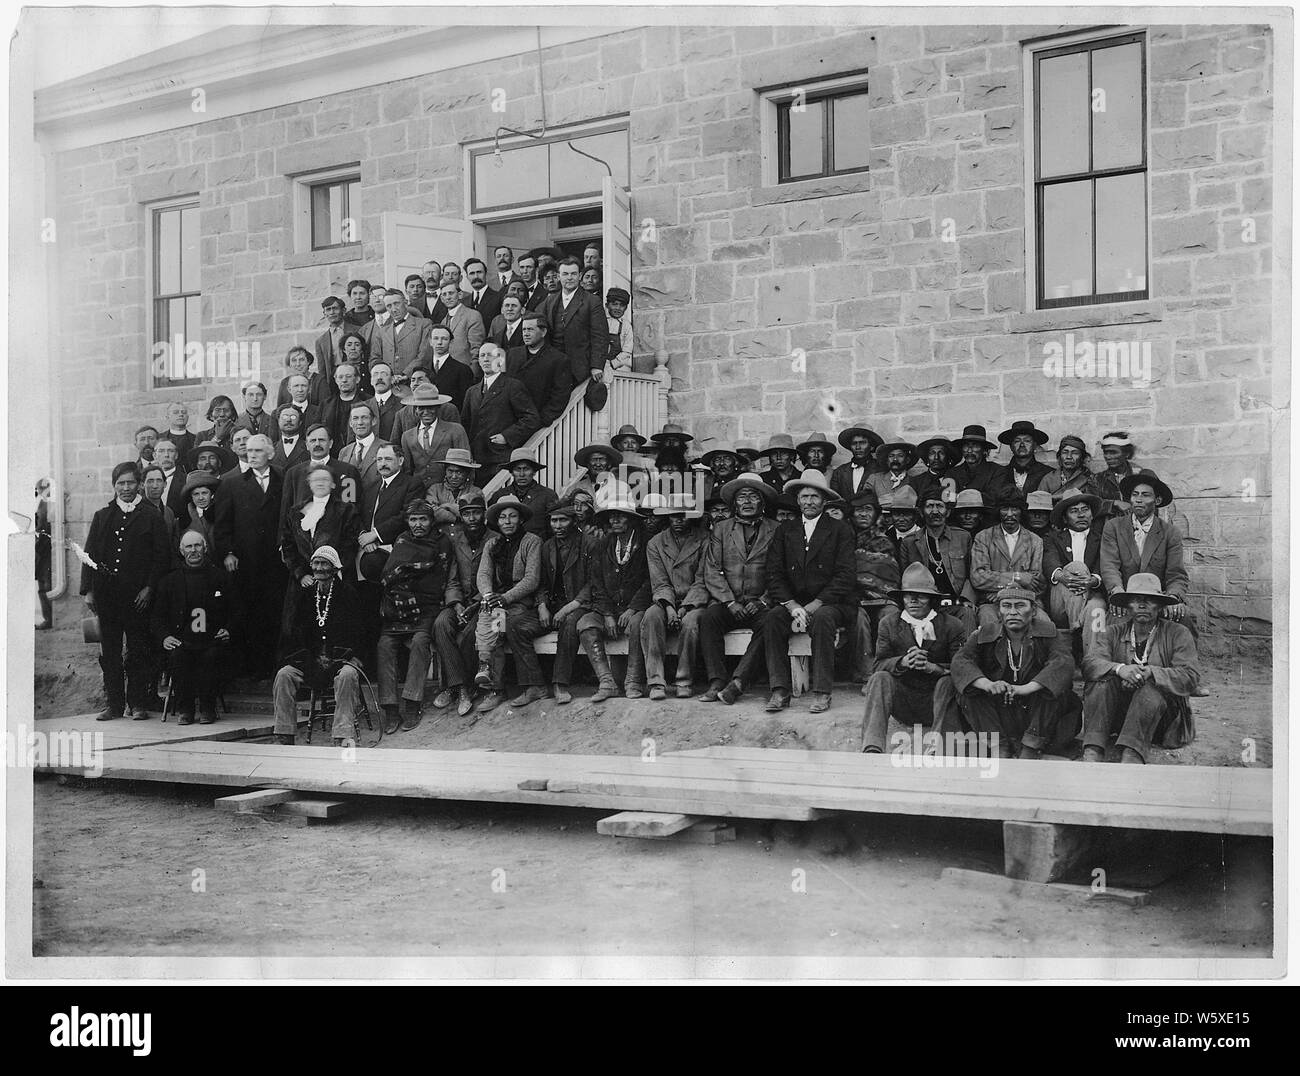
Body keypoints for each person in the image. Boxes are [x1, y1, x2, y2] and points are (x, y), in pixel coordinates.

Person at [760, 469, 857, 714]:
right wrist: (792, 606)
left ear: (824, 501)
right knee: (772, 618)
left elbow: (845, 575)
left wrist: (815, 604)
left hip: (830, 602)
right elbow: (774, 573)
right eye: (804, 497)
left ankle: (822, 691)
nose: (809, 502)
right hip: (795, 602)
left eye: (814, 497)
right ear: (797, 500)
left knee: (823, 619)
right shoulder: (785, 530)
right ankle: (780, 690)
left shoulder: (840, 529)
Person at [949, 583, 1081, 759]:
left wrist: (1026, 688)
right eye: (1006, 606)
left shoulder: (1049, 632)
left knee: (1058, 689)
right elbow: (961, 661)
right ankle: (998, 745)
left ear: (1033, 610)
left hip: (1036, 713)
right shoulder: (984, 634)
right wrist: (988, 684)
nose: (1012, 612)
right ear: (998, 611)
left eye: (1020, 606)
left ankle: (1031, 747)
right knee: (966, 688)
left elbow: (1063, 663)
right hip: (999, 713)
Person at [80, 463, 170, 720]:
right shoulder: (103, 515)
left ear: (139, 484)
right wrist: (88, 590)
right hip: (108, 597)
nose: (126, 488)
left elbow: (161, 557)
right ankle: (115, 704)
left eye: (130, 483)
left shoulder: (151, 515)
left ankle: (138, 703)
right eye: (121, 484)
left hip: (138, 598)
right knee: (110, 653)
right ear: (114, 486)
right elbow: (89, 556)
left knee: (138, 650)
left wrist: (149, 588)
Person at [1081, 574, 1201, 764]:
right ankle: (1093, 749)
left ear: (1160, 605)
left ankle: (1132, 755)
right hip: (1119, 716)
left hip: (1162, 719)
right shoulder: (1112, 632)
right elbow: (1090, 663)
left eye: (1150, 600)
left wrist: (1151, 673)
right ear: (1128, 605)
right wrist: (1120, 669)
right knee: (1101, 683)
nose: (1142, 605)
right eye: (1136, 600)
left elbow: (1190, 675)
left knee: (1150, 688)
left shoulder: (1178, 633)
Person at [859, 565, 966, 753]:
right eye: (908, 595)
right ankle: (872, 747)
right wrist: (903, 662)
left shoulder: (952, 625)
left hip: (938, 704)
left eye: (921, 595)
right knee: (879, 678)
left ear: (932, 599)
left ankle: (938, 746)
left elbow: (961, 669)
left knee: (947, 682)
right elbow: (878, 665)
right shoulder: (889, 624)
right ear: (902, 598)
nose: (914, 600)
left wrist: (933, 668)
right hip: (904, 703)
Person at [270, 546, 364, 747]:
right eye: (316, 563)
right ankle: (284, 735)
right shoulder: (305, 596)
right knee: (284, 675)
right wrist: (310, 658)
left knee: (348, 676)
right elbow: (296, 633)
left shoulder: (348, 594)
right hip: (311, 661)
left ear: (334, 567)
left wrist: (343, 656)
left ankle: (342, 735)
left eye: (324, 564)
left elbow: (358, 632)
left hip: (340, 659)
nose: (320, 569)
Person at [213, 434, 287, 682]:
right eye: (249, 450)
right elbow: (222, 525)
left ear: (269, 453)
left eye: (257, 451)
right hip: (247, 560)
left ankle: (276, 666)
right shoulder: (231, 483)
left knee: (275, 611)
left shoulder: (283, 477)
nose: (251, 454)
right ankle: (253, 669)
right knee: (250, 611)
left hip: (276, 560)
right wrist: (228, 552)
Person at [377, 501, 453, 733]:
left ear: (431, 521)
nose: (418, 525)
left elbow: (437, 579)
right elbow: (389, 574)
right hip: (398, 608)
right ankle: (390, 708)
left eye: (423, 519)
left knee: (420, 642)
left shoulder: (442, 542)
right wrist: (401, 589)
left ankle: (412, 703)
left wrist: (410, 584)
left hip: (426, 608)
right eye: (413, 520)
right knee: (385, 645)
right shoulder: (402, 540)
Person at [472, 496, 545, 712]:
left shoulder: (532, 541)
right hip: (496, 602)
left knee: (499, 624)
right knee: (492, 620)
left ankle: (495, 684)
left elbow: (532, 579)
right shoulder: (492, 544)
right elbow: (483, 573)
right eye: (503, 517)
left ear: (520, 519)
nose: (508, 521)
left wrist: (505, 598)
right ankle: (490, 682)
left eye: (513, 516)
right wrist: (487, 595)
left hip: (519, 602)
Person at [151, 530, 231, 725]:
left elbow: (236, 609)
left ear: (205, 548)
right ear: (181, 550)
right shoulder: (169, 581)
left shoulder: (220, 577)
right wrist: (165, 637)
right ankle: (185, 708)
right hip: (182, 640)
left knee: (211, 657)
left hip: (211, 639)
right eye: (188, 546)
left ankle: (207, 708)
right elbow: (156, 617)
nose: (193, 550)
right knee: (178, 657)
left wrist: (229, 629)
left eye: (197, 546)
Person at [574, 498, 650, 702]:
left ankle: (633, 681)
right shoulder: (603, 545)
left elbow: (651, 581)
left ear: (632, 519)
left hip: (635, 608)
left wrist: (633, 608)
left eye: (621, 515)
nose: (615, 520)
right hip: (609, 608)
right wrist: (607, 614)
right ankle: (607, 682)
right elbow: (596, 583)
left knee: (638, 625)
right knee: (585, 623)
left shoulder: (645, 543)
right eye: (611, 516)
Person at [1099, 472, 1192, 631]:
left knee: (1182, 619)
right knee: (1113, 623)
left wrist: (1172, 598)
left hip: (1158, 599)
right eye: (1135, 495)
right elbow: (1110, 567)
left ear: (1157, 500)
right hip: (1126, 598)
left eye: (1145, 495)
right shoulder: (1113, 527)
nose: (1139, 499)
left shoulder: (1170, 532)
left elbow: (1176, 573)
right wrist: (1118, 595)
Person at [641, 497, 708, 699]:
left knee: (690, 623)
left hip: (695, 600)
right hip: (666, 599)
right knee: (651, 616)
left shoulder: (704, 539)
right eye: (673, 516)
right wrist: (669, 607)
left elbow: (703, 579)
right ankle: (656, 682)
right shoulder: (656, 543)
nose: (678, 521)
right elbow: (659, 581)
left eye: (683, 516)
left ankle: (684, 680)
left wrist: (686, 607)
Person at [431, 492, 491, 717]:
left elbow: (495, 580)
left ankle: (463, 688)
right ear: (461, 517)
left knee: (467, 634)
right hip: (460, 602)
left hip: (485, 603)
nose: (472, 518)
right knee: (441, 624)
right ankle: (459, 688)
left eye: (476, 513)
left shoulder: (493, 539)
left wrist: (475, 603)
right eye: (467, 514)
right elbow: (452, 578)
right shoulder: (456, 541)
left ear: (484, 514)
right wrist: (455, 604)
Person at [537, 502, 600, 705]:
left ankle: (560, 682)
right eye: (554, 520)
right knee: (517, 625)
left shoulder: (590, 544)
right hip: (554, 604)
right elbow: (542, 583)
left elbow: (594, 582)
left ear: (574, 521)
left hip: (580, 603)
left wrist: (570, 606)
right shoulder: (547, 547)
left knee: (570, 622)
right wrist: (542, 606)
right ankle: (532, 685)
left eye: (563, 520)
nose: (558, 525)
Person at [460, 344, 541, 480]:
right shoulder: (472, 391)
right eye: (482, 355)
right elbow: (465, 424)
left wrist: (507, 436)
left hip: (500, 458)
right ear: (478, 361)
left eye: (490, 355)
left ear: (500, 360)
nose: (486, 359)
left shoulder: (512, 386)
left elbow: (531, 418)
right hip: (477, 459)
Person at [1043, 492, 1108, 660]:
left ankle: (1092, 660)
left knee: (1097, 608)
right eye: (1074, 511)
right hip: (1060, 599)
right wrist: (1063, 576)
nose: (1080, 514)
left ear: (1092, 515)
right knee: (1076, 566)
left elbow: (1104, 566)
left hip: (1093, 594)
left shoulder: (1102, 539)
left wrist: (1093, 580)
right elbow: (1050, 563)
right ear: (1065, 518)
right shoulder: (1053, 538)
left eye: (1085, 509)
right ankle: (1076, 630)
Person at [900, 490, 976, 633]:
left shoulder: (963, 537)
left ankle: (965, 655)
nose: (935, 511)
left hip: (957, 603)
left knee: (968, 614)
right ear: (921, 512)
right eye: (929, 506)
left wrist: (967, 599)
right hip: (926, 604)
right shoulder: (910, 542)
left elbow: (971, 573)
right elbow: (904, 579)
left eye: (940, 506)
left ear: (947, 511)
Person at [850, 488, 901, 690]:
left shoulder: (884, 541)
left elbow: (889, 574)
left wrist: (872, 589)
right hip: (852, 598)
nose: (863, 514)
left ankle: (888, 670)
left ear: (876, 513)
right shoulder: (843, 537)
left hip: (883, 598)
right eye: (858, 510)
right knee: (858, 618)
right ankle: (866, 674)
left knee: (891, 615)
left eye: (868, 509)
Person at [969, 489, 1044, 627]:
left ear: (1022, 511)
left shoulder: (1035, 541)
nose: (1009, 514)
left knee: (1044, 623)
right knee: (989, 625)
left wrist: (1003, 590)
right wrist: (1017, 577)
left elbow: (1037, 582)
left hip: (1026, 602)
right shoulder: (983, 537)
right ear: (998, 511)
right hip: (992, 602)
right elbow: (978, 577)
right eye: (1004, 509)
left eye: (1014, 509)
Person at [280, 463, 360, 590]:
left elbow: (350, 545)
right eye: (316, 480)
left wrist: (329, 571)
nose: (320, 483)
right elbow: (288, 545)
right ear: (309, 484)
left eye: (325, 479)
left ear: (333, 484)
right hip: (303, 582)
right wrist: (300, 574)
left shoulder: (346, 510)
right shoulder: (295, 512)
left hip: (335, 579)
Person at [357, 443, 427, 582]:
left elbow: (407, 516)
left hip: (394, 550)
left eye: (388, 459)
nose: (383, 464)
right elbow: (359, 514)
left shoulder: (412, 484)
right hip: (365, 548)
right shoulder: (371, 486)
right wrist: (364, 537)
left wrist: (375, 534)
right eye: (379, 459)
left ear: (400, 461)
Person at [544, 255, 609, 389]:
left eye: (573, 274)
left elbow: (600, 336)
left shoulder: (592, 301)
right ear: (558, 276)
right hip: (554, 366)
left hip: (579, 368)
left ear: (579, 276)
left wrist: (596, 366)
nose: (569, 278)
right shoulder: (549, 302)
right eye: (565, 274)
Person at [505, 312, 572, 426]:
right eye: (524, 330)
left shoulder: (558, 359)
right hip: (508, 419)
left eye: (530, 329)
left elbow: (559, 398)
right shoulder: (512, 354)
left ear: (543, 332)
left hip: (534, 422)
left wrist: (540, 420)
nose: (525, 334)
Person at [399, 383, 469, 490]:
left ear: (438, 407)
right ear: (415, 409)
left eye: (430, 407)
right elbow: (407, 470)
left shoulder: (455, 430)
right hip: (418, 492)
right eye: (421, 408)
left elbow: (466, 465)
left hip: (448, 492)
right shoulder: (407, 436)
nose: (426, 412)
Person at [488, 449, 559, 537]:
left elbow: (553, 529)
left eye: (526, 469)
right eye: (518, 469)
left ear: (534, 471)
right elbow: (492, 528)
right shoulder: (499, 495)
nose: (522, 474)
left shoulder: (547, 496)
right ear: (511, 472)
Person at [991, 420, 1056, 499]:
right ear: (1011, 446)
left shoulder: (1047, 473)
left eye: (1027, 441)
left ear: (1035, 445)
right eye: (1017, 441)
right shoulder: (999, 474)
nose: (1022, 445)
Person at [319, 363, 377, 450]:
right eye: (340, 377)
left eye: (348, 376)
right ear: (335, 380)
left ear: (357, 379)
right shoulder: (326, 404)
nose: (344, 380)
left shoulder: (369, 402)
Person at [337, 401, 386, 503]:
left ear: (373, 421)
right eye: (355, 418)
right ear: (350, 423)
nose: (360, 422)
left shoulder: (386, 448)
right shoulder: (344, 452)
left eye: (364, 417)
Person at [421, 324, 475, 410]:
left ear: (451, 342)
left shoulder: (462, 370)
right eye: (436, 338)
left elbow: (466, 404)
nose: (439, 342)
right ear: (430, 342)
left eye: (444, 339)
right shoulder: (422, 369)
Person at [378, 290, 434, 372]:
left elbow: (424, 355)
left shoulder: (424, 324)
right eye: (389, 306)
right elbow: (375, 357)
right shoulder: (382, 331)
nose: (393, 309)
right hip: (390, 381)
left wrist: (406, 374)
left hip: (415, 379)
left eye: (396, 304)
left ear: (405, 302)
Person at [438, 280, 486, 367]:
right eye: (444, 294)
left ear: (460, 295)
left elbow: (476, 350)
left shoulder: (472, 315)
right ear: (441, 299)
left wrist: (473, 374)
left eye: (451, 293)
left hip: (466, 370)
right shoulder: (443, 321)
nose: (448, 297)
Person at [1041, 434, 1101, 502]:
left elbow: (1094, 503)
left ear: (1082, 457)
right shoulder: (1048, 479)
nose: (1069, 457)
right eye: (1065, 452)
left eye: (1075, 453)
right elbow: (1038, 502)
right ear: (1059, 456)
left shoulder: (1090, 479)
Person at [830, 427, 882, 501]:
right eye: (854, 443)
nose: (858, 447)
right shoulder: (839, 472)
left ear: (871, 447)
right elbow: (835, 499)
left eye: (862, 443)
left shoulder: (880, 469)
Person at [948, 425, 1002, 497]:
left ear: (984, 450)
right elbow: (947, 498)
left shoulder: (997, 472)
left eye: (975, 446)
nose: (969, 450)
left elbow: (995, 498)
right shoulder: (952, 473)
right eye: (966, 446)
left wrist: (959, 496)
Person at [909, 437, 960, 506]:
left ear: (948, 457)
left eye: (941, 453)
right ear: (927, 458)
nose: (936, 457)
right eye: (932, 453)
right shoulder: (916, 482)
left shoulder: (957, 480)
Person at [178, 470, 220, 554]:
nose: (200, 498)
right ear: (191, 496)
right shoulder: (183, 520)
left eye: (204, 493)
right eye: (196, 494)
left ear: (211, 494)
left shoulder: (221, 513)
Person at [314, 296, 350, 385]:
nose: (332, 312)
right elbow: (322, 369)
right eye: (328, 310)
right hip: (334, 380)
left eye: (335, 308)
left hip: (353, 375)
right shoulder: (321, 341)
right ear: (324, 314)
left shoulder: (357, 330)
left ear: (343, 310)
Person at [152, 440, 189, 519]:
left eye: (171, 451)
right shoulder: (146, 479)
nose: (166, 455)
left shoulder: (186, 480)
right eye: (161, 451)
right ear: (154, 455)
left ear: (176, 455)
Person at [368, 361, 404, 442]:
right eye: (375, 374)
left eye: (384, 374)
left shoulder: (402, 405)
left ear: (392, 379)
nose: (379, 378)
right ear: (371, 381)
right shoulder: (362, 407)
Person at [464, 257, 503, 330]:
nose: (476, 276)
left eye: (479, 272)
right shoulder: (464, 302)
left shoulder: (499, 297)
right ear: (467, 277)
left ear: (486, 274)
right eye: (472, 273)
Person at [35, 478, 53, 629]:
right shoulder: (43, 503)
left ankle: (49, 619)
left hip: (46, 550)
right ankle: (48, 618)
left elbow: (43, 529)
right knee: (43, 586)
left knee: (45, 586)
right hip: (43, 550)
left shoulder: (46, 504)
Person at [271, 406, 308, 471]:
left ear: (300, 422)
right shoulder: (271, 449)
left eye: (293, 417)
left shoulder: (308, 448)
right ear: (278, 421)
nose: (288, 420)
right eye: (285, 416)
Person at [605, 287, 634, 369]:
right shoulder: (600, 320)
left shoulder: (626, 325)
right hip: (596, 365)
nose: (618, 308)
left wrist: (612, 364)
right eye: (614, 304)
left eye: (622, 305)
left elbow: (627, 350)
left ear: (626, 308)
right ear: (607, 305)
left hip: (616, 367)